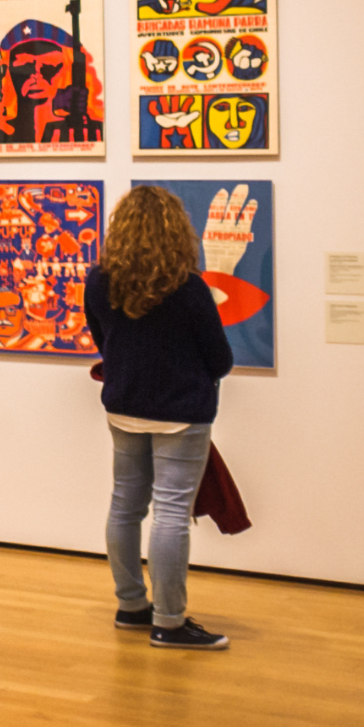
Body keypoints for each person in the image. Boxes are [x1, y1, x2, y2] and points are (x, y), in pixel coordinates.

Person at [83, 185, 235, 649]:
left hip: (124, 407)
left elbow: (101, 338)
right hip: (180, 413)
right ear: (176, 230)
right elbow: (220, 357)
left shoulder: (99, 279)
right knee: (170, 511)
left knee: (125, 505)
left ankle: (131, 606)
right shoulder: (188, 288)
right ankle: (169, 622)